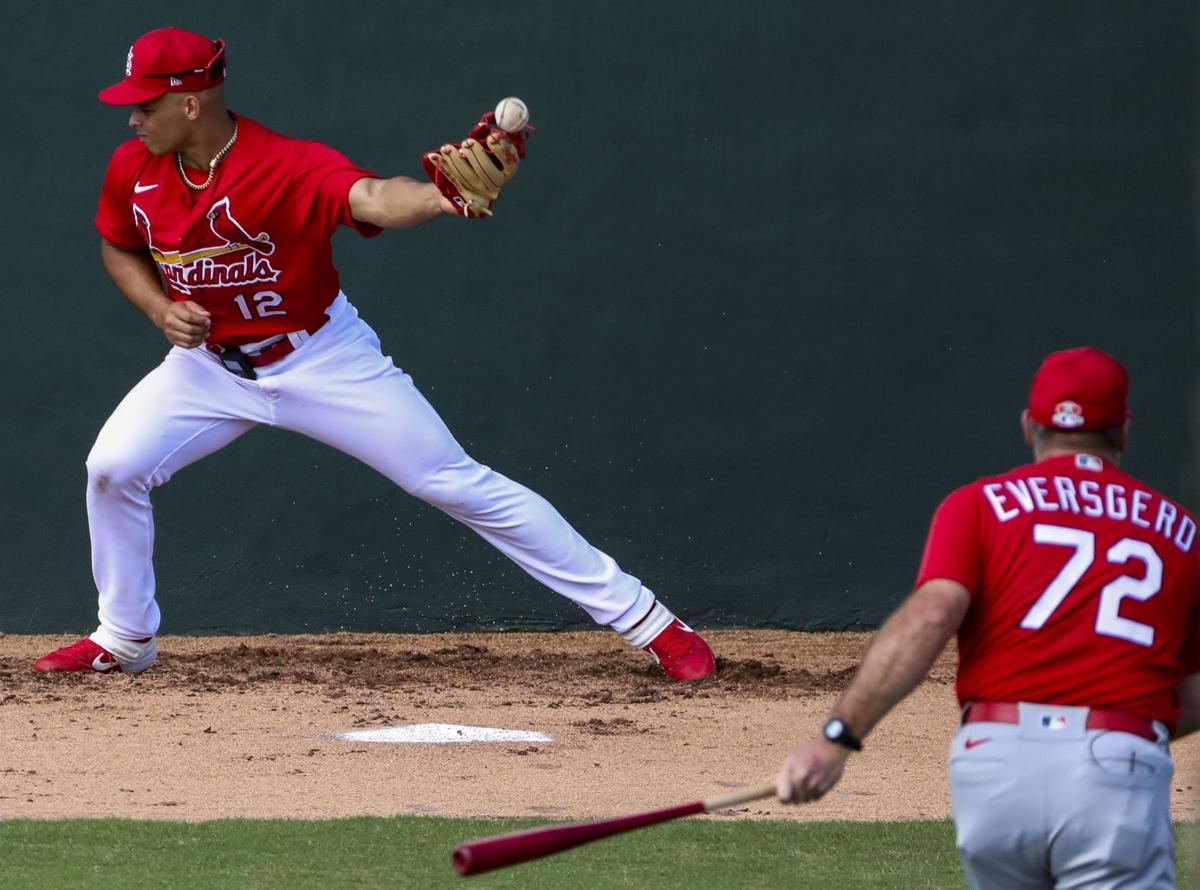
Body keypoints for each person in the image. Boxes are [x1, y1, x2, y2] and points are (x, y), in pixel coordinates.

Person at [34, 26, 715, 682]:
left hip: (321, 359)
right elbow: (119, 245)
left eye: (144, 105)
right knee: (112, 469)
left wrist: (441, 199)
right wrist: (159, 309)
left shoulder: (284, 163)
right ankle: (123, 640)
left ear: (190, 102)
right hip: (208, 368)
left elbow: (374, 198)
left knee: (452, 481)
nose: (131, 120)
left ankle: (652, 623)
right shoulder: (136, 167)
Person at [776, 347, 1199, 889]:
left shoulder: (977, 505)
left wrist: (837, 740)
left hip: (997, 768)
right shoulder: (1181, 533)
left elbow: (930, 615)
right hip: (1116, 768)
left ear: (1029, 425)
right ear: (1124, 429)